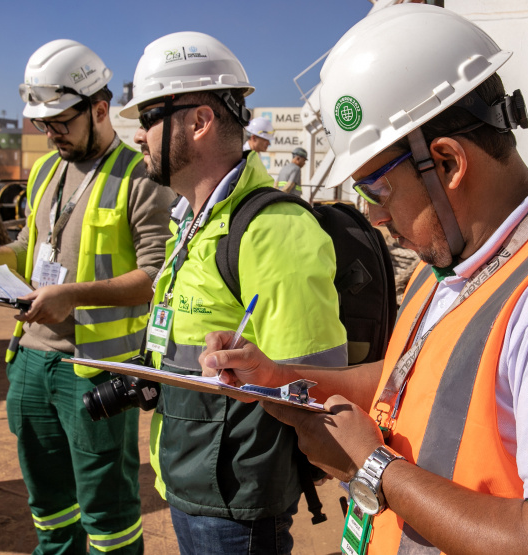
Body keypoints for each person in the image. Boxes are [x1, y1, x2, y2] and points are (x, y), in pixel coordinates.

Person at [200, 5, 528, 555]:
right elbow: (410, 384)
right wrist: (280, 376)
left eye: (377, 191)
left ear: (446, 162)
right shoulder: (447, 265)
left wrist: (374, 468)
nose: (372, 216)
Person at [0, 39, 174, 554]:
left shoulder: (141, 178)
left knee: (107, 510)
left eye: (61, 122)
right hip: (30, 360)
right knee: (48, 504)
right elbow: (27, 248)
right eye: (44, 124)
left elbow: (156, 275)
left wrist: (73, 295)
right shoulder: (45, 172)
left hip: (95, 369)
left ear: (100, 109)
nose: (51, 134)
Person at [120, 31, 347, 555]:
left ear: (198, 121)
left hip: (236, 504)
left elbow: (314, 387)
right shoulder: (193, 223)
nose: (139, 136)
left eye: (150, 117)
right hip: (190, 478)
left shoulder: (273, 229)